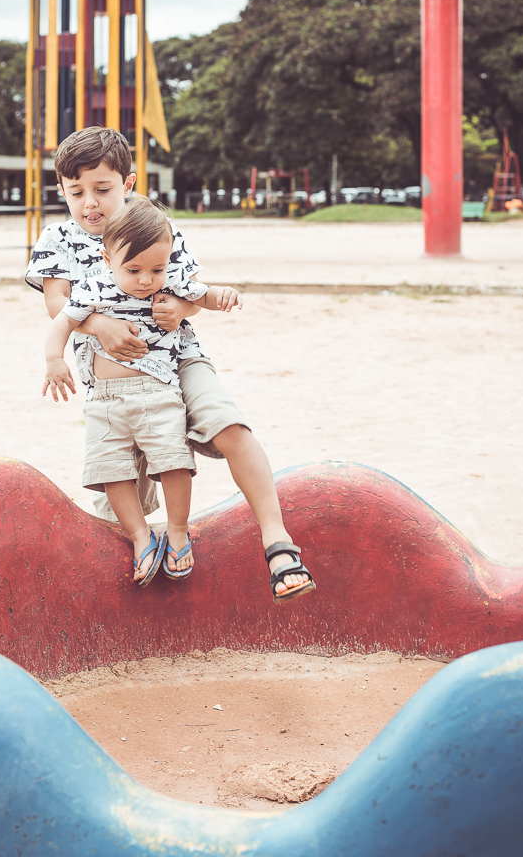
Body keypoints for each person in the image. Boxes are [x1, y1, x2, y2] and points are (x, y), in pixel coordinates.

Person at [26, 127, 315, 603]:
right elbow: (57, 302)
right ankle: (144, 569)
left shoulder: (157, 225)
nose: (90, 203)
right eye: (76, 192)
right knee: (117, 489)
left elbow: (192, 291)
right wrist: (100, 325)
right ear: (62, 189)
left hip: (178, 356)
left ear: (128, 183)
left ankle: (277, 542)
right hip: (114, 376)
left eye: (103, 189)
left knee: (228, 424)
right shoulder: (58, 237)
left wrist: (181, 309)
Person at [43, 196, 240, 586]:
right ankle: (140, 537)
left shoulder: (169, 280)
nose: (147, 280)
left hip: (157, 391)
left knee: (173, 462)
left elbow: (201, 295)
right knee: (111, 470)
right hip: (104, 399)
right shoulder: (93, 287)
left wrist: (223, 295)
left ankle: (178, 530)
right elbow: (62, 322)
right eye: (133, 270)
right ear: (107, 259)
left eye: (156, 269)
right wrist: (53, 359)